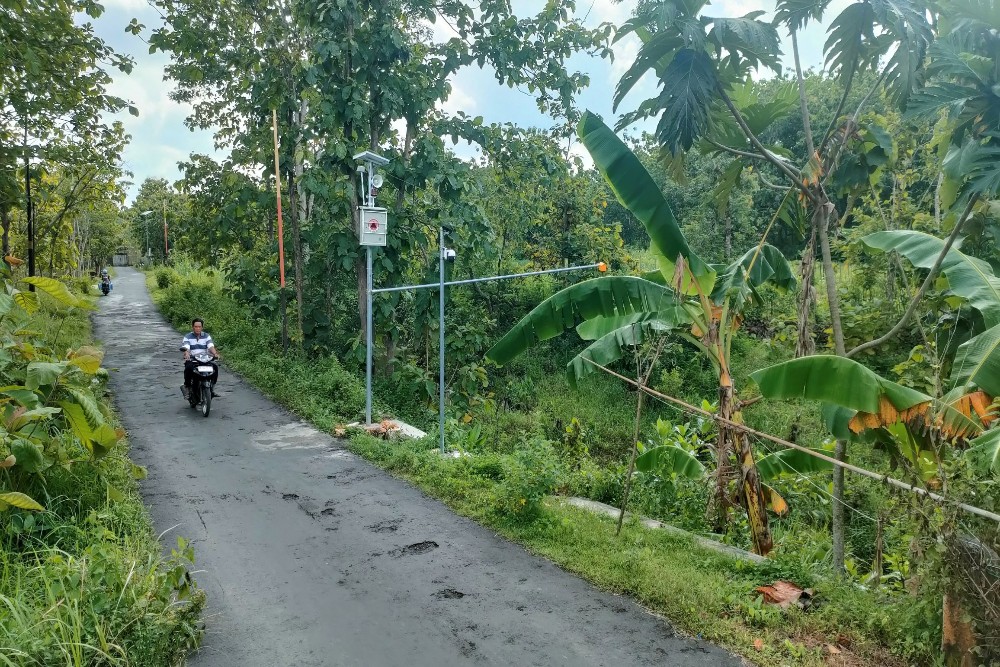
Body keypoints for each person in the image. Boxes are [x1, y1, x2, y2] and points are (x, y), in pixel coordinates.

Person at [180, 318, 220, 399]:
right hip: (193, 359)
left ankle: (211, 388)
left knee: (215, 367)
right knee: (188, 368)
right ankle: (187, 387)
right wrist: (186, 353)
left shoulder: (206, 336)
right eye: (196, 326)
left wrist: (215, 353)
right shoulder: (187, 337)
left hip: (205, 359)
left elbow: (210, 346)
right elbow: (186, 347)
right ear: (193, 327)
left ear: (202, 327)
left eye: (199, 327)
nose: (197, 328)